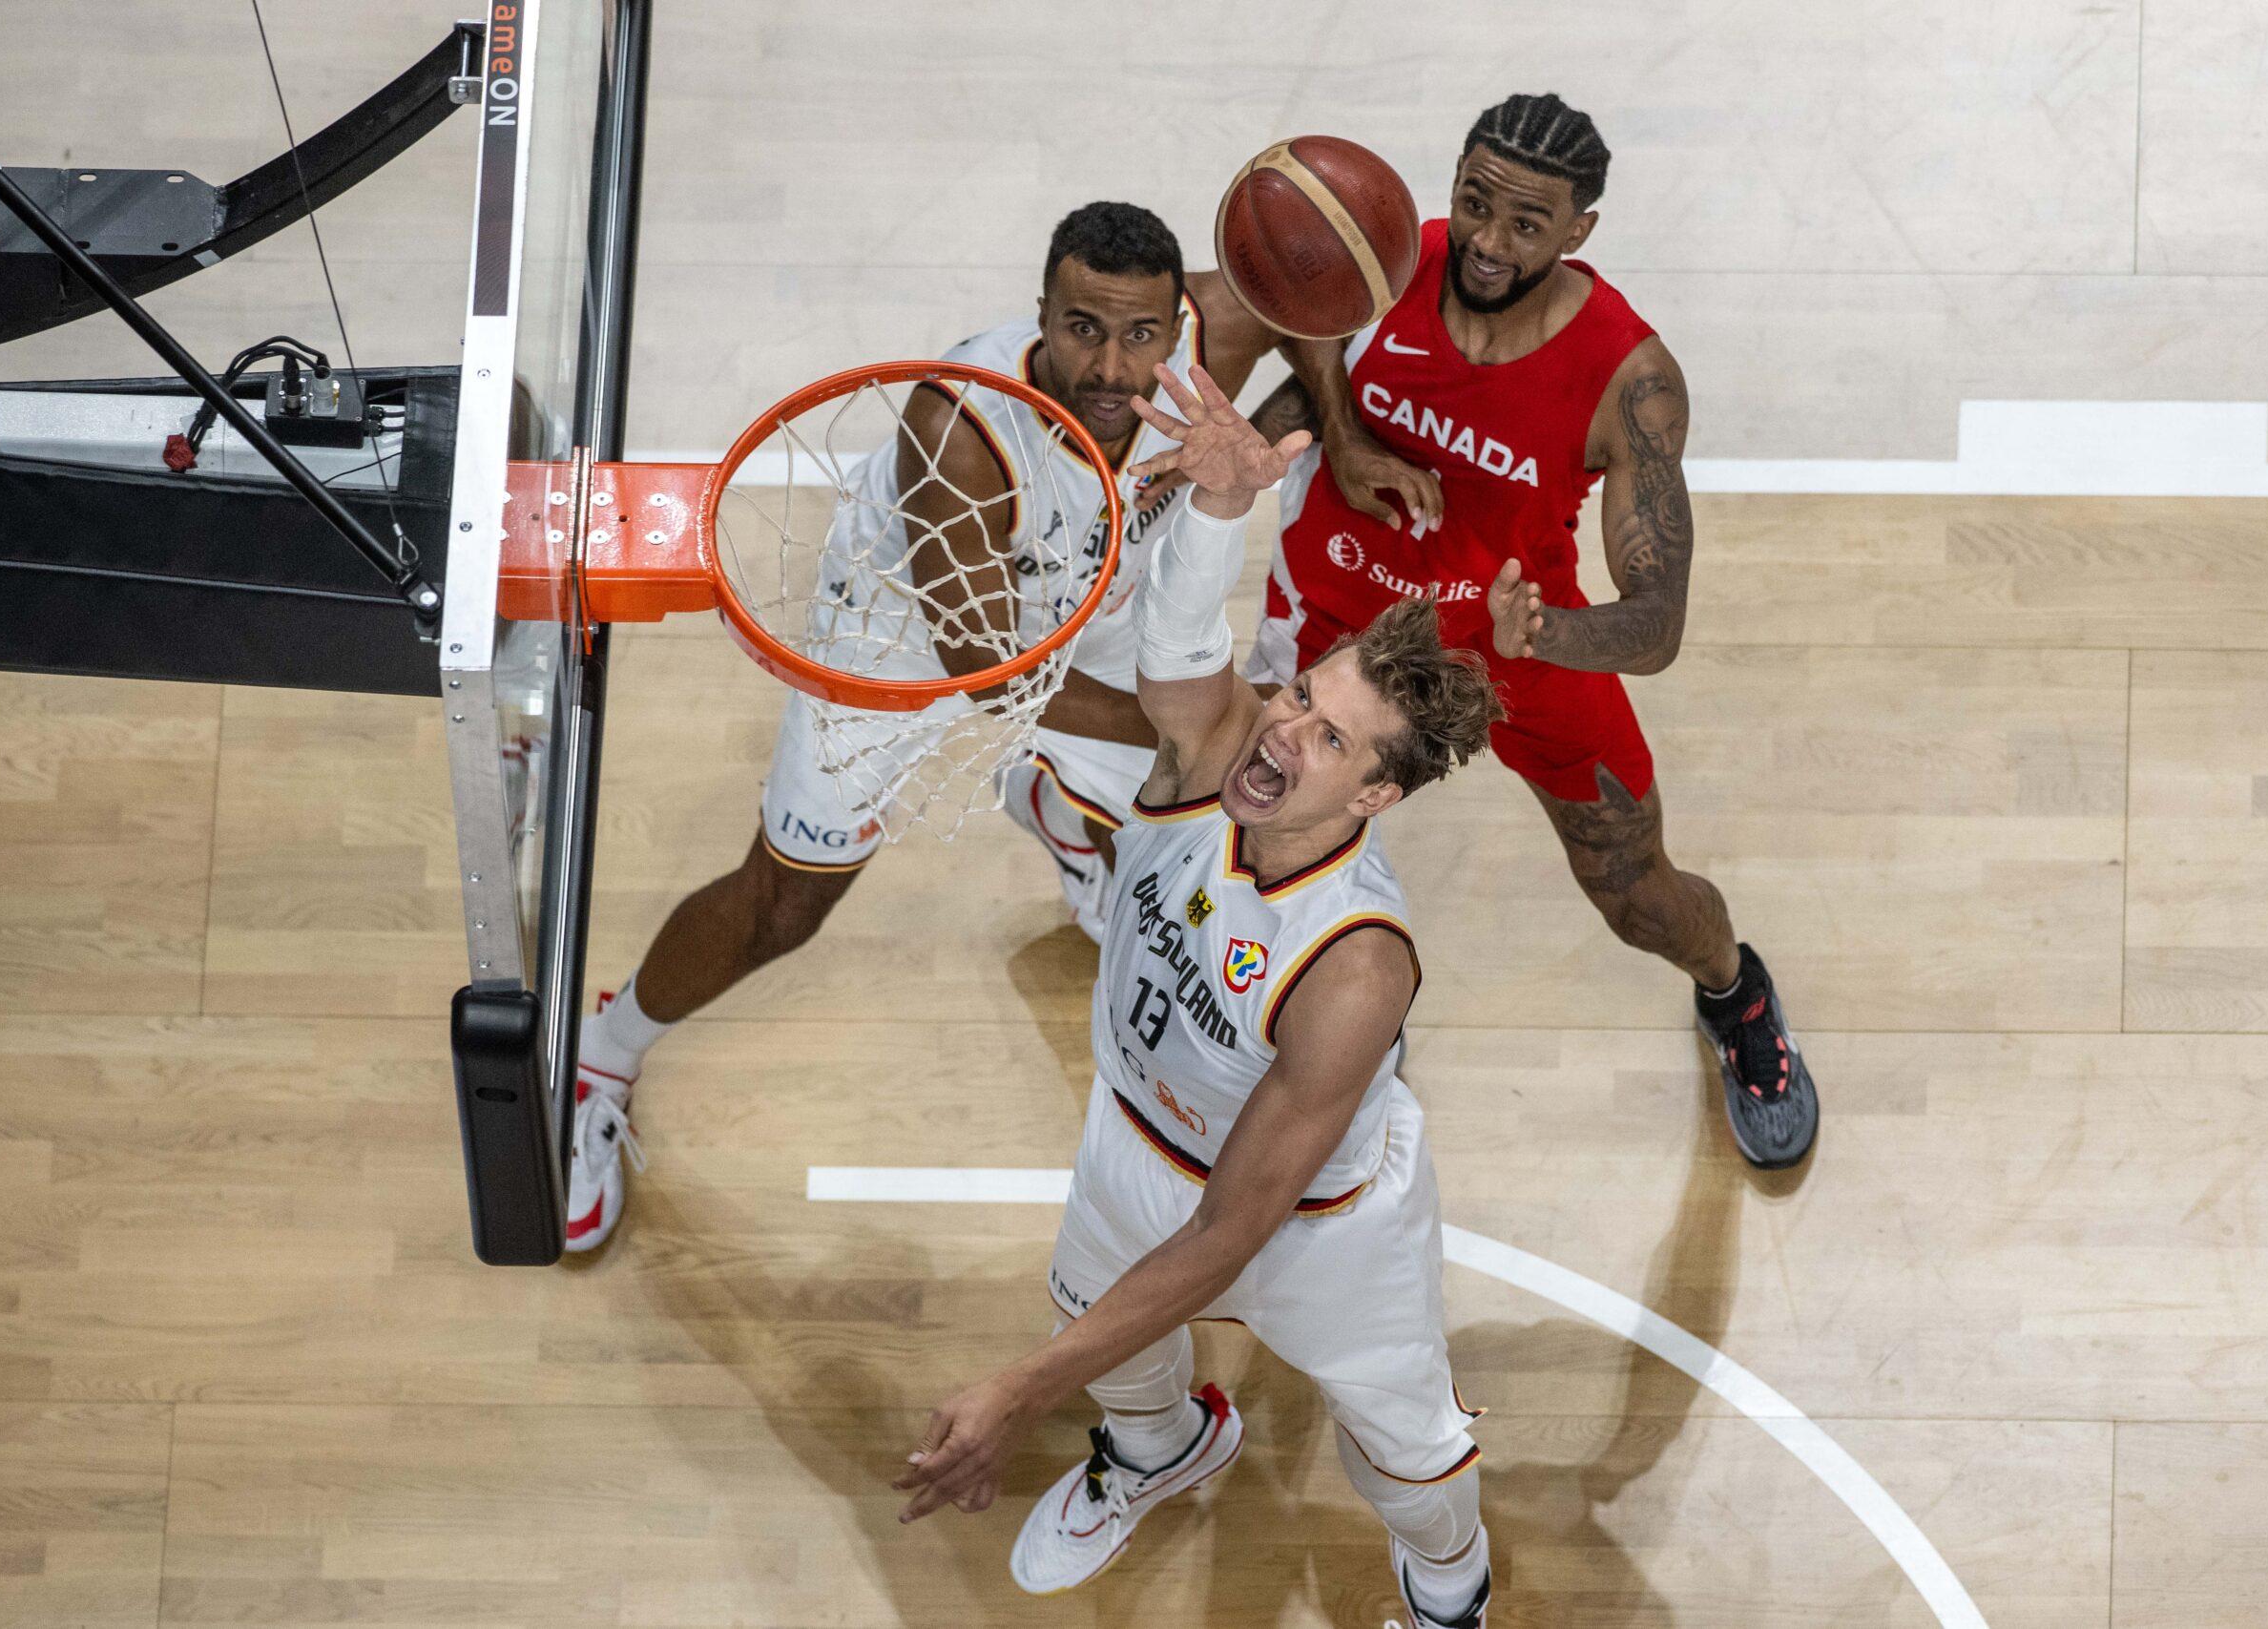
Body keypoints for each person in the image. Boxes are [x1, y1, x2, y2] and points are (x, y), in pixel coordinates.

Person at [893, 363, 1504, 1629]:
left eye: (1332, 740)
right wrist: (1223, 508)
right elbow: (1178, 660)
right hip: (1138, 1126)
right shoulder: (1219, 754)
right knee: (1106, 1335)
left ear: (1378, 795)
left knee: (1411, 1454)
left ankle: (1450, 1594)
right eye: (1301, 696)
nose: (1287, 733)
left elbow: (1232, 1233)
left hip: (1324, 1221)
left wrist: (1014, 1389)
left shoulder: (1354, 965)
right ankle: (1163, 1446)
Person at [564, 203, 1280, 1249]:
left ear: (1179, 324)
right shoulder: (960, 425)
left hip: (1092, 595)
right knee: (783, 908)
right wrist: (1200, 731)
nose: (1112, 367)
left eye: (1140, 335)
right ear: (1039, 312)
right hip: (910, 637)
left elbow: (1322, 296)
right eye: (1082, 327)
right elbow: (992, 677)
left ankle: (1067, 812)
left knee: (1206, 810)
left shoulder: (1217, 330)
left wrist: (1333, 440)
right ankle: (603, 1050)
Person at [1248, 93, 1820, 1169]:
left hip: (1512, 655)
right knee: (1271, 834)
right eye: (1472, 205)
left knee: (1637, 895)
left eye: (1525, 225)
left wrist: (1544, 632)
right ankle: (1335, 1027)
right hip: (1342, 615)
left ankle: (1735, 996)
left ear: (1578, 234)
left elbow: (1654, 630)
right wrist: (1341, 434)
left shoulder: (1629, 379)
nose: (1487, 242)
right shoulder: (1379, 256)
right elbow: (1300, 326)